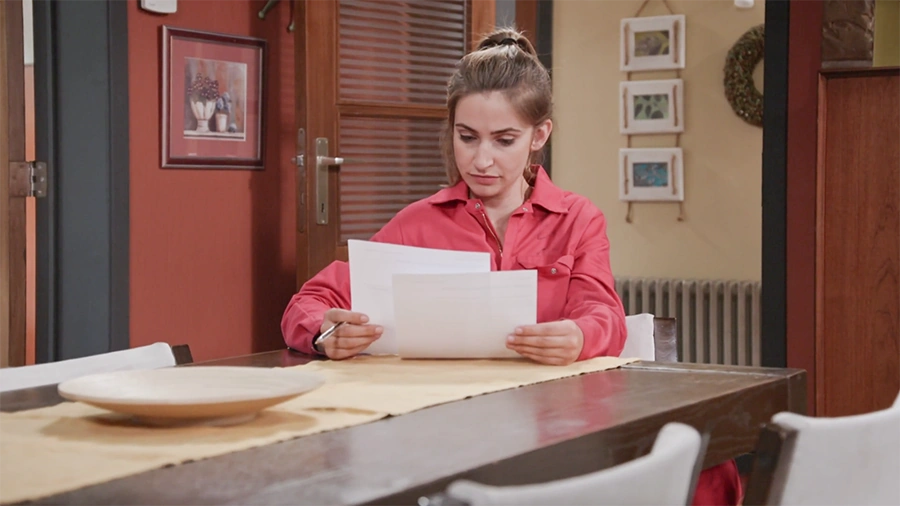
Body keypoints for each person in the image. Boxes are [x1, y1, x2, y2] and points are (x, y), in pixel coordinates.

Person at [281, 28, 741, 506]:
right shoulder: (416, 223)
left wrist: (579, 336)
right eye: (467, 137)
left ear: (539, 135)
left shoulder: (577, 218)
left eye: (504, 140)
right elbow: (308, 303)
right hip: (446, 426)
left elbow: (604, 314)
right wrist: (325, 332)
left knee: (703, 459)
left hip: (554, 422)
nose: (481, 160)